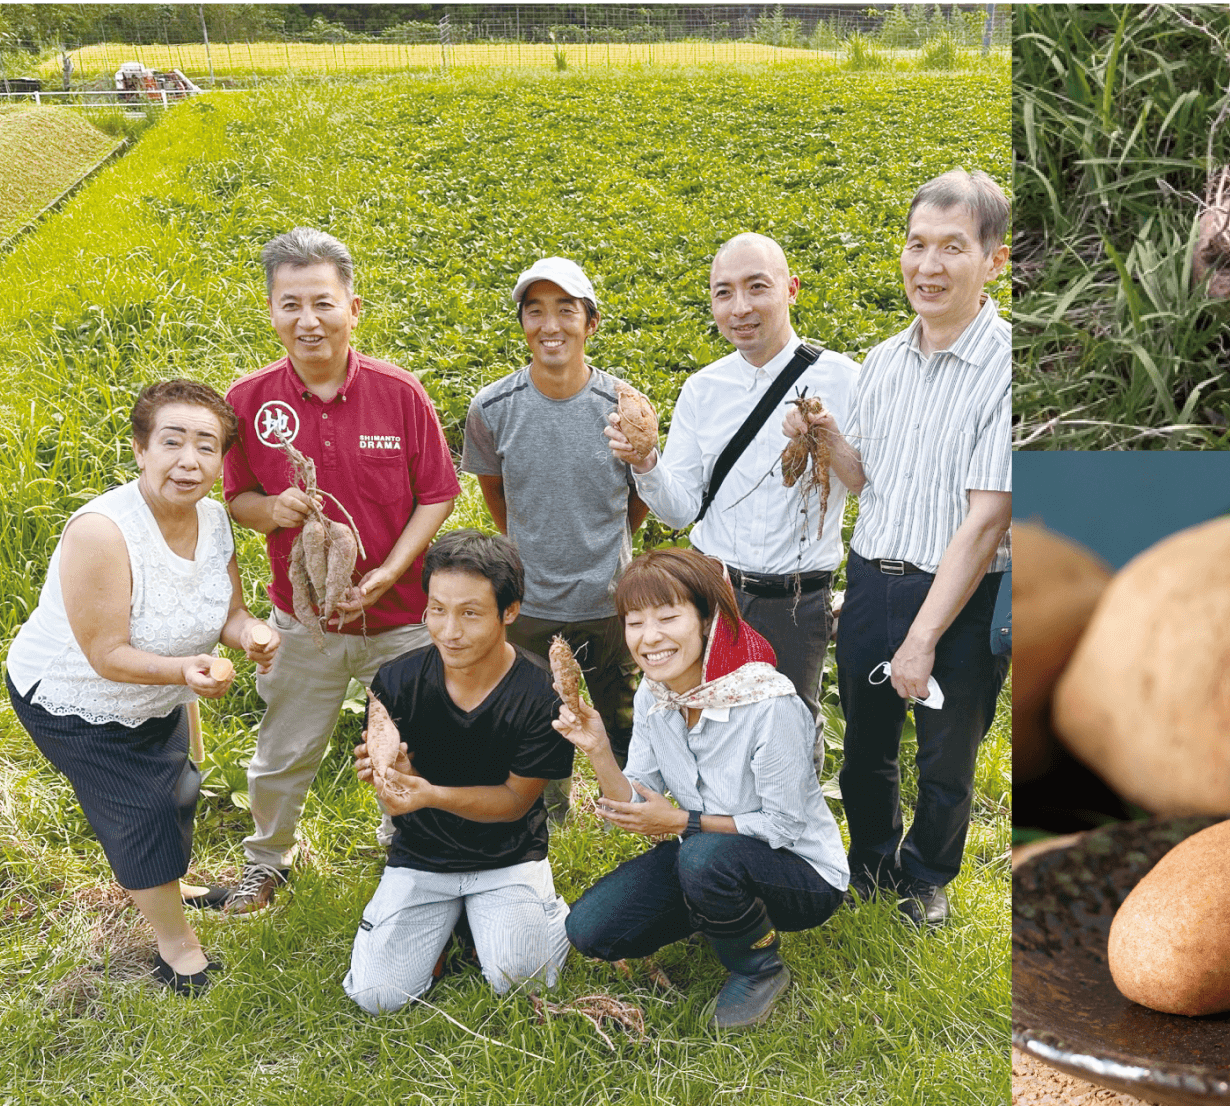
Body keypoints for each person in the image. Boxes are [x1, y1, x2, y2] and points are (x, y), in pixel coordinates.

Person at [197, 227, 461, 915]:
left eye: (322, 302)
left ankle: (405, 846)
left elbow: (438, 493)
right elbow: (236, 499)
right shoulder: (248, 400)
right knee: (283, 751)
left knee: (411, 744)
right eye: (291, 304)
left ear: (354, 308)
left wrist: (388, 572)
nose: (307, 320)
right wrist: (272, 507)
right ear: (271, 311)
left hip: (400, 617)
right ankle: (268, 860)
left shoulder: (400, 394)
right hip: (302, 620)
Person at [783, 170, 1012, 928]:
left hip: (960, 592)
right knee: (867, 748)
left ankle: (926, 879)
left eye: (953, 247)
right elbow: (864, 478)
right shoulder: (881, 360)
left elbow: (985, 521)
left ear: (995, 260)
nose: (930, 265)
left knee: (945, 759)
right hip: (874, 578)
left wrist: (922, 639)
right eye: (918, 245)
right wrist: (826, 437)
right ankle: (873, 861)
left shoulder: (1007, 367)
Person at [4, 379, 279, 995]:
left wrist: (252, 632)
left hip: (156, 690)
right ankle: (177, 949)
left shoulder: (213, 517)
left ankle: (168, 881)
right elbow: (106, 655)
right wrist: (186, 671)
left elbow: (227, 614)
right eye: (172, 441)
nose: (190, 461)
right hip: (76, 700)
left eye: (206, 446)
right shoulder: (102, 531)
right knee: (143, 812)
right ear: (140, 448)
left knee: (178, 788)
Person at [559, 548, 847, 1030]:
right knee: (590, 930)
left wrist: (682, 823)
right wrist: (599, 750)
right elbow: (638, 799)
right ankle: (718, 910)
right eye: (634, 622)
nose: (649, 638)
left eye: (668, 617)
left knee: (702, 856)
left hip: (801, 873)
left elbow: (783, 825)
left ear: (708, 621)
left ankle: (758, 967)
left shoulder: (769, 706)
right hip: (710, 855)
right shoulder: (656, 692)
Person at [608, 234, 858, 771]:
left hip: (798, 597)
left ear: (790, 289)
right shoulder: (704, 389)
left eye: (756, 287)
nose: (740, 307)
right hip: (713, 588)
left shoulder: (846, 379)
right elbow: (678, 510)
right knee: (711, 717)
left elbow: (874, 488)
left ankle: (785, 843)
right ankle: (714, 832)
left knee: (790, 722)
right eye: (724, 293)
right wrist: (646, 462)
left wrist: (828, 440)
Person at [342, 529, 575, 1013]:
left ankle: (535, 910)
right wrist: (396, 778)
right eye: (437, 609)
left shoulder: (541, 694)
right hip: (422, 857)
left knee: (522, 983)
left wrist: (429, 793)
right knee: (376, 997)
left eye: (470, 613)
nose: (449, 631)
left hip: (508, 858)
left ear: (509, 612)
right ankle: (451, 929)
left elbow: (515, 802)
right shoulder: (396, 681)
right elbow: (395, 799)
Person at [463, 258, 648, 820]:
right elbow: (498, 495)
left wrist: (606, 545)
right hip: (531, 603)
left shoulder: (625, 406)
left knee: (623, 712)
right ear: (521, 323)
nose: (551, 326)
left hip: (609, 598)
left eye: (566, 311)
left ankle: (634, 802)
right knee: (539, 712)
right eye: (535, 311)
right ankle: (549, 807)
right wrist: (529, 547)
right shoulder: (492, 409)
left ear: (590, 323)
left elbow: (641, 493)